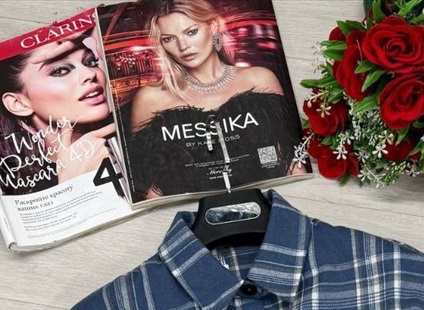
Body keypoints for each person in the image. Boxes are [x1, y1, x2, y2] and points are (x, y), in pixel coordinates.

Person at [127, 0, 305, 200]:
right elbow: (151, 188)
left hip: (265, 199)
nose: (183, 46)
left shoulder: (260, 79)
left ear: (213, 27)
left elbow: (289, 160)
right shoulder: (151, 99)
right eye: (169, 39)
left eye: (191, 32)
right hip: (189, 210)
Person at [0, 29, 116, 195]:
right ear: (18, 103)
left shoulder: (133, 122)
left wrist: (106, 33)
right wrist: (72, 185)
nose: (90, 74)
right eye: (60, 70)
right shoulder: (33, 190)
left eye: (90, 62)